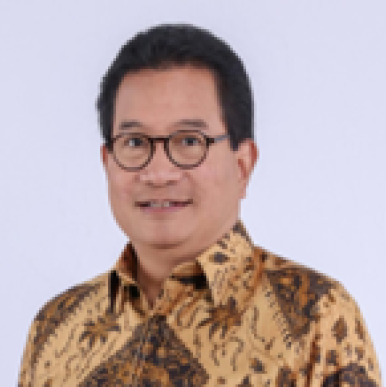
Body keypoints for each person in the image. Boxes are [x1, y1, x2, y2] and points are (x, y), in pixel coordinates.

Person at [18, 24, 381, 386]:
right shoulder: (54, 329)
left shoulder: (316, 316)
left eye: (189, 140)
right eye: (134, 143)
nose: (158, 173)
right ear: (107, 161)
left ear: (242, 165)